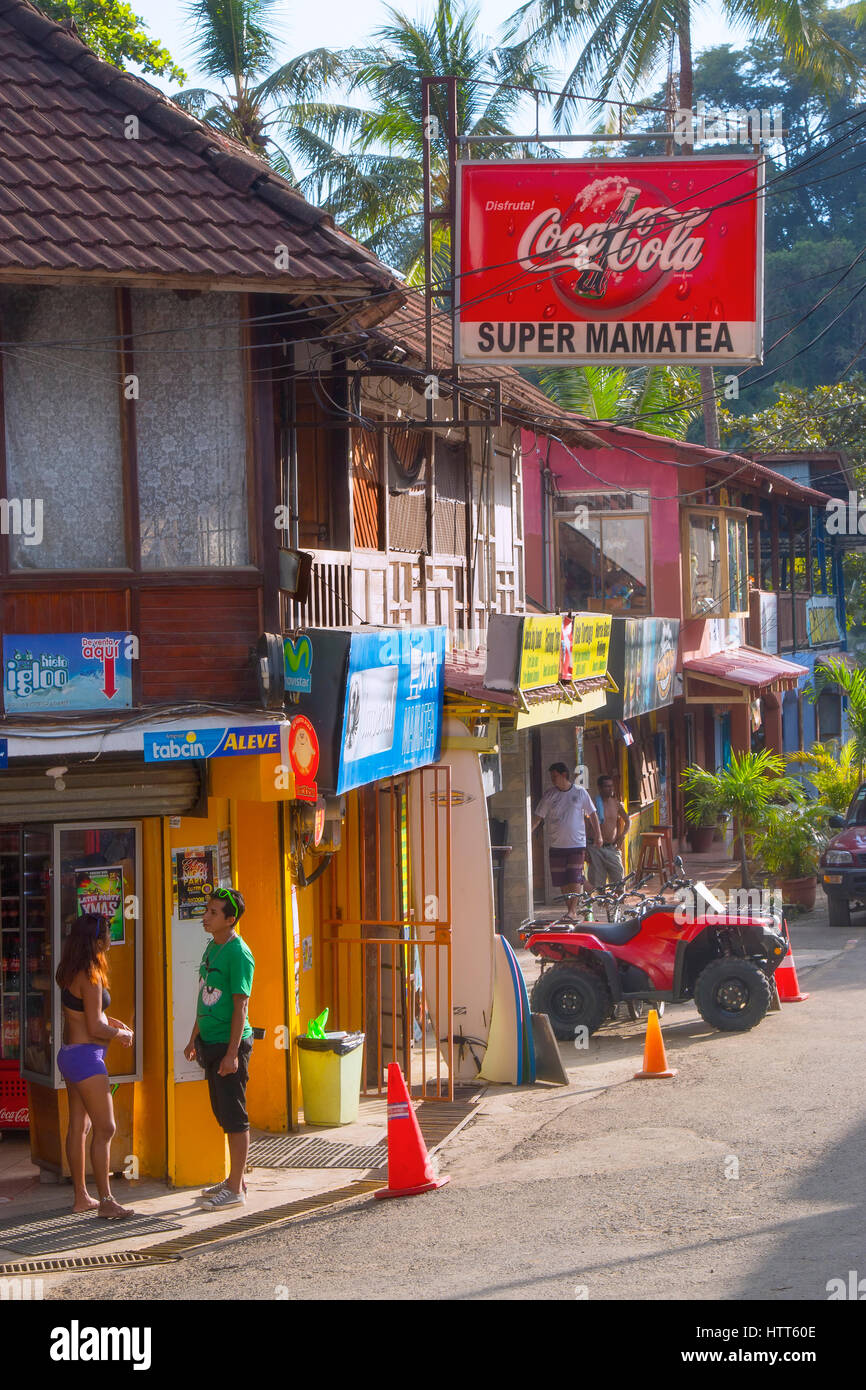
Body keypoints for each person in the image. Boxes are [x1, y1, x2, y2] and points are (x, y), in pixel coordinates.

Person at [55, 911, 135, 1219]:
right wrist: (122, 1033)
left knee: (80, 1126)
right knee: (106, 1127)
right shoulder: (90, 975)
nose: (111, 938)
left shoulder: (71, 971)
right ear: (96, 940)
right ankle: (107, 1201)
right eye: (108, 933)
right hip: (88, 1058)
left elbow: (87, 1015)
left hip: (71, 1054)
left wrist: (108, 1022)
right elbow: (95, 1025)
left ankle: (81, 1197)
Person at [184, 887, 255, 1209]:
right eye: (207, 911)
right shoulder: (212, 948)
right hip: (209, 1042)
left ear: (231, 919)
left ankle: (236, 1190)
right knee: (222, 1114)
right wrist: (192, 1038)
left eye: (213, 913)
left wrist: (231, 1054)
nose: (206, 917)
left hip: (230, 1046)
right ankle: (233, 1180)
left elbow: (241, 1006)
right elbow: (206, 994)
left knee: (234, 1117)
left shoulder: (239, 953)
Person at [532, 762, 601, 916]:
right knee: (561, 879)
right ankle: (570, 908)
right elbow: (538, 817)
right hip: (557, 844)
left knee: (575, 877)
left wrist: (598, 834)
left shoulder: (580, 792)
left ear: (564, 775)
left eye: (555, 776)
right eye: (551, 776)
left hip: (576, 843)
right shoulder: (550, 794)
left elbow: (593, 814)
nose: (552, 779)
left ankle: (572, 910)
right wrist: (529, 832)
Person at [588, 774, 629, 888]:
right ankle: (602, 905)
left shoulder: (616, 803)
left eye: (612, 786)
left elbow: (627, 820)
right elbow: (585, 826)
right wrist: (585, 850)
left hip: (612, 848)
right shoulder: (593, 804)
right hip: (595, 848)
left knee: (619, 881)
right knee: (598, 885)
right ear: (600, 788)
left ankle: (618, 905)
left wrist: (622, 836)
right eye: (607, 786)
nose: (610, 789)